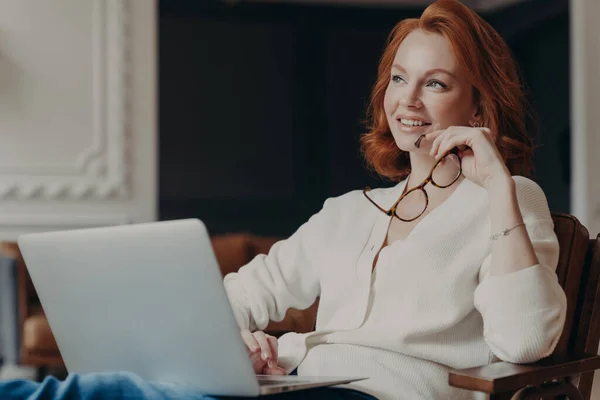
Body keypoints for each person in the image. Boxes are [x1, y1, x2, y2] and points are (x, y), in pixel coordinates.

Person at [0, 0, 567, 399]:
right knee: (97, 391)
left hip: (389, 394)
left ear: (477, 107)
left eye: (435, 83)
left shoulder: (509, 201)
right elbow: (245, 293)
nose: (407, 100)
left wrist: (494, 186)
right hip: (299, 382)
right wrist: (234, 341)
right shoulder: (347, 212)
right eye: (398, 78)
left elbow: (525, 340)